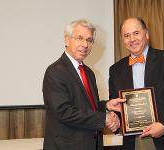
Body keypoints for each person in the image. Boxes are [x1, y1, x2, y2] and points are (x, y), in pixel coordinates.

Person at [108, 17, 164, 150]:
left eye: (136, 33)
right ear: (123, 40)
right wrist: (114, 117)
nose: (132, 39)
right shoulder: (115, 70)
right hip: (132, 143)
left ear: (146, 34)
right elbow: (116, 105)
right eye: (127, 35)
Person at [42, 19, 121, 150]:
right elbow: (64, 111)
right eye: (80, 38)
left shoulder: (88, 72)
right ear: (67, 40)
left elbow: (86, 106)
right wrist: (104, 118)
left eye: (89, 40)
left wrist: (106, 106)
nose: (85, 44)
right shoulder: (55, 72)